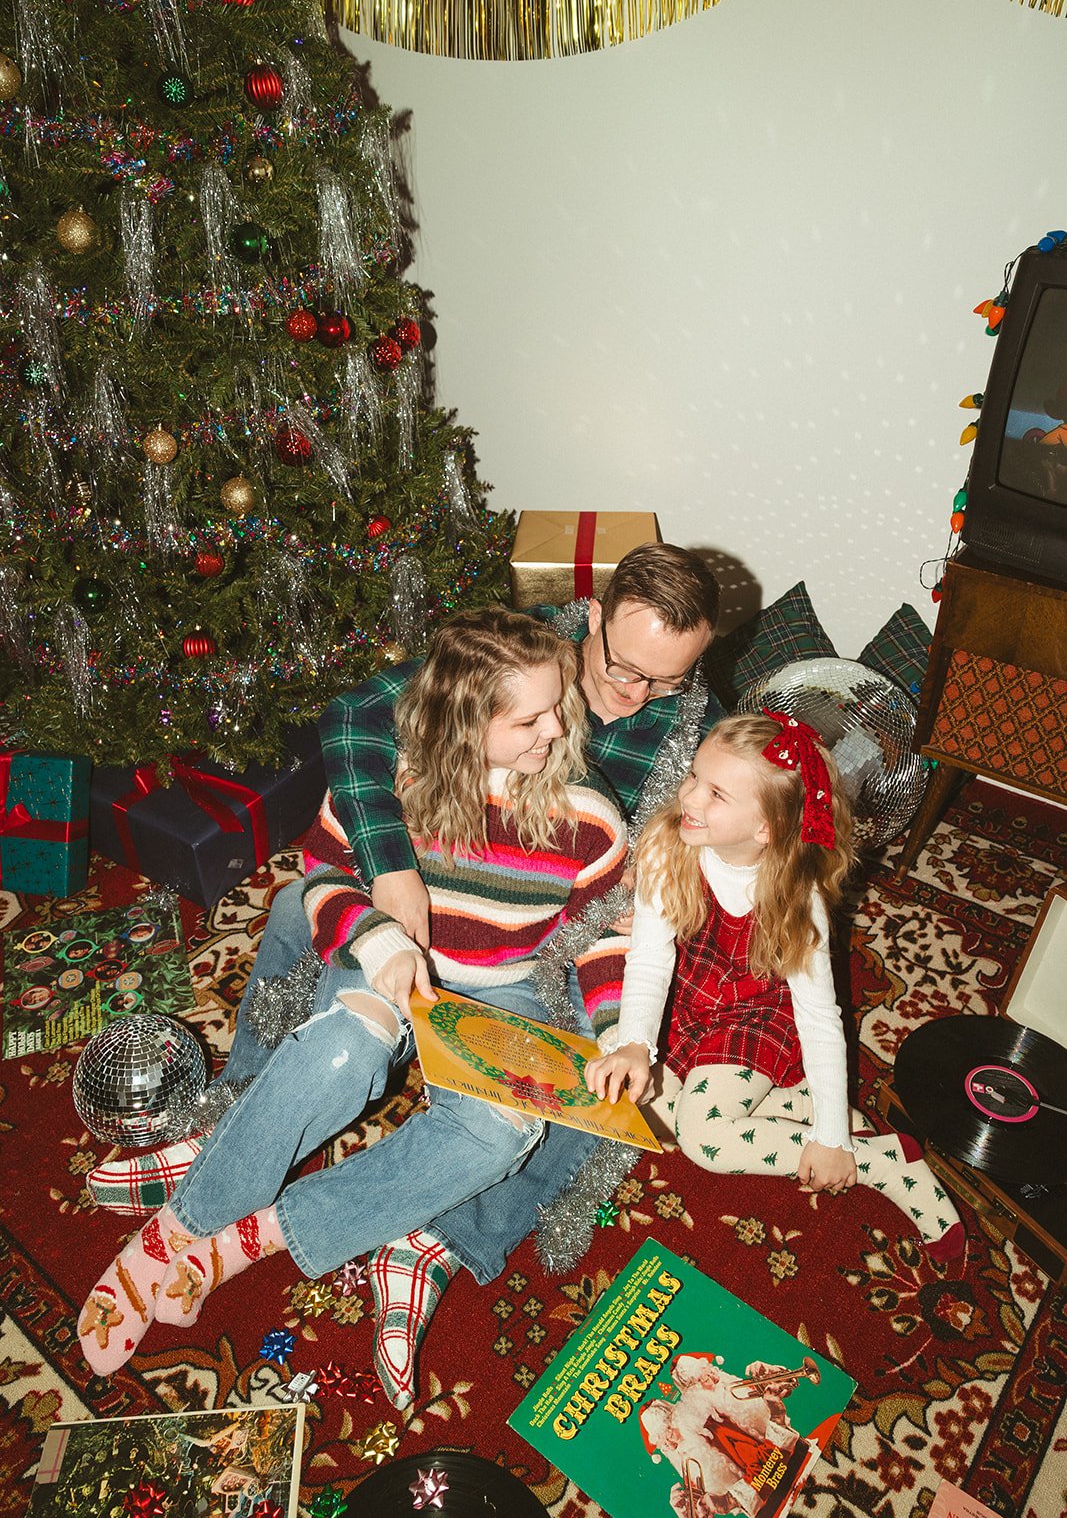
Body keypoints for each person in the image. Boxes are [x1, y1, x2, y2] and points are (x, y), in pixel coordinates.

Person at [93, 542, 724, 1399]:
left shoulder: (591, 815)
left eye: (666, 682)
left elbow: (612, 936)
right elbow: (321, 873)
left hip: (505, 979)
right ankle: (185, 1221)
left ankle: (251, 1236)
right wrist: (382, 938)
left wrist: (620, 1032)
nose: (579, 725)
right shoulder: (419, 757)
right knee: (343, 1050)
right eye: (542, 717)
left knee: (507, 1130)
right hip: (390, 946)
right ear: (590, 623)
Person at [585, 711, 965, 1259]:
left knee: (706, 1140)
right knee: (642, 1103)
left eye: (716, 794)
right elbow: (648, 960)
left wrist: (830, 1141)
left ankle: (875, 1161)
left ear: (766, 827)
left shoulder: (795, 895)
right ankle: (808, 1105)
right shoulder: (667, 847)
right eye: (694, 776)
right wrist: (636, 1045)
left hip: (758, 1017)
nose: (689, 798)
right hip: (692, 1004)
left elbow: (818, 1018)